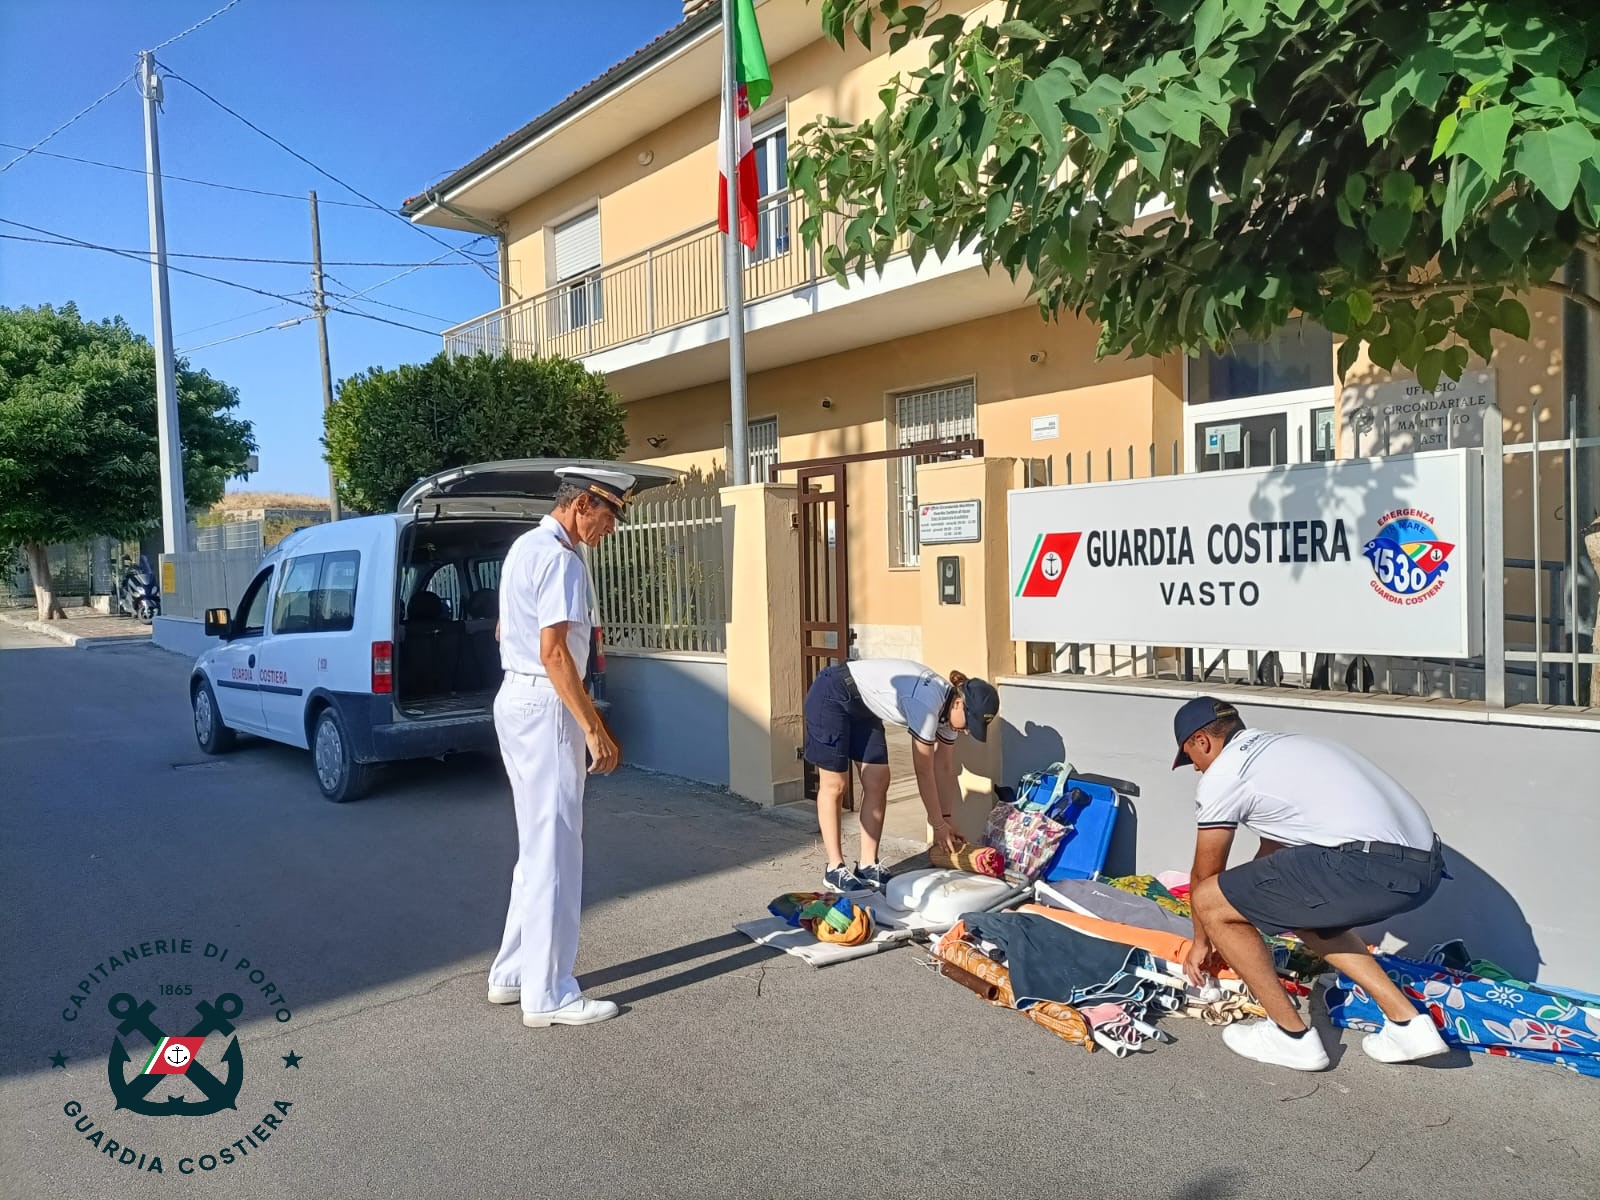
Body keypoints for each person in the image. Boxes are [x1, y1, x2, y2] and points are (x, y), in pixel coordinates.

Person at [1172, 696, 1450, 1071]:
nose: (1196, 770)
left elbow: (1205, 877)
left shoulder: (1225, 775)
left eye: (1191, 758)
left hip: (1372, 863)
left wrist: (1202, 941)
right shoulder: (1287, 747)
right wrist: (1245, 912)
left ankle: (1290, 1037)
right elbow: (1271, 866)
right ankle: (1408, 1024)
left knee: (1208, 898)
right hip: (1425, 867)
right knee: (1298, 904)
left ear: (1202, 742)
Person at [486, 467, 631, 1028]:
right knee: (557, 853)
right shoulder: (563, 559)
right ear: (582, 505)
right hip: (547, 706)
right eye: (610, 515)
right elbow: (554, 654)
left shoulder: (524, 547)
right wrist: (592, 725)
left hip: (516, 699)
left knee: (537, 844)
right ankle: (548, 995)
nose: (611, 528)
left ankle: (512, 973)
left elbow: (506, 631)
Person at [802, 658, 1000, 892]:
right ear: (959, 703)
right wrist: (936, 824)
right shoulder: (927, 704)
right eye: (969, 723)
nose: (966, 731)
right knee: (835, 784)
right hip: (833, 693)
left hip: (865, 707)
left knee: (878, 779)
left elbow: (945, 767)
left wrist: (946, 819)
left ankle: (867, 865)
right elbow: (924, 770)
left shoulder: (949, 715)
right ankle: (835, 868)